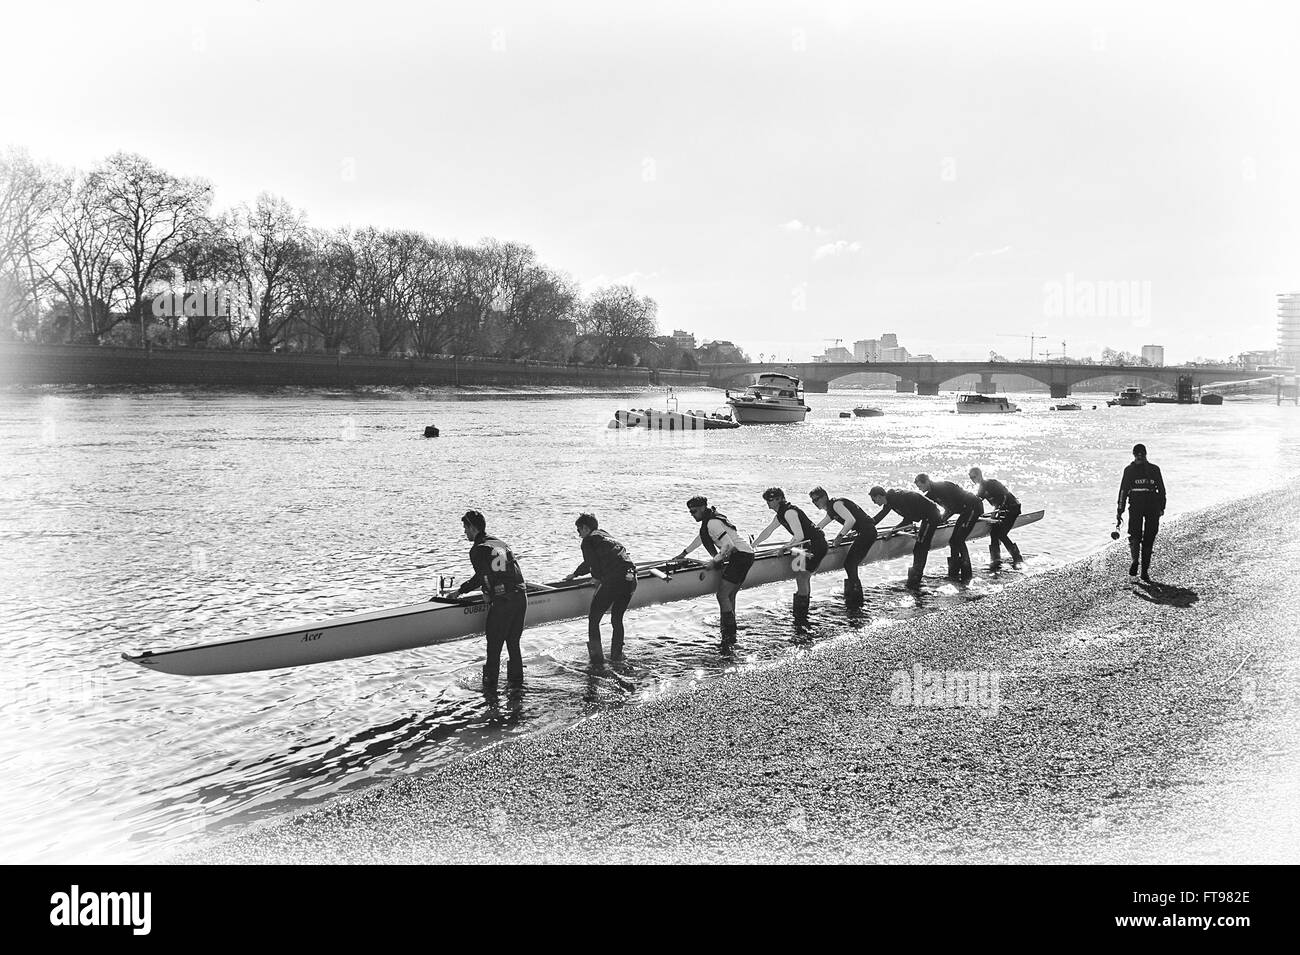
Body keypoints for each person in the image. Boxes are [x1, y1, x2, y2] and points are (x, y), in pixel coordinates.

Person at [450, 510, 527, 689]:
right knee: (513, 644)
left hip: (504, 602)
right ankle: (516, 687)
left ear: (473, 528)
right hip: (521, 596)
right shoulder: (500, 543)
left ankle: (489, 690)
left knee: (494, 646)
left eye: (465, 528)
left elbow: (483, 576)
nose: (464, 532)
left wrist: (481, 592)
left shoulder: (477, 549)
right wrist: (466, 590)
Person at [673, 495, 755, 643]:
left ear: (703, 508)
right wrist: (683, 554)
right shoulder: (709, 521)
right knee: (730, 596)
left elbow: (728, 545)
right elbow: (701, 538)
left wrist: (714, 561)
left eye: (695, 511)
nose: (692, 514)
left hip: (740, 556)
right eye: (690, 512)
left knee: (722, 595)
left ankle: (728, 632)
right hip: (747, 554)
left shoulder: (712, 523)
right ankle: (731, 633)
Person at [564, 513, 637, 666]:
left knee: (594, 619)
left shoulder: (587, 541)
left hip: (614, 581)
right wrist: (576, 573)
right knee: (617, 619)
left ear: (585, 528)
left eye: (578, 530)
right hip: (631, 578)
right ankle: (617, 656)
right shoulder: (605, 535)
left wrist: (595, 578)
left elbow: (592, 565)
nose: (578, 534)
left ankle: (596, 660)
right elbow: (601, 559)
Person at [753, 487, 828, 622]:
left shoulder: (789, 513)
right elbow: (768, 531)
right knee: (803, 577)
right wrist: (753, 546)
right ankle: (803, 611)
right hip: (807, 545)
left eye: (770, 500)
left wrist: (784, 548)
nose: (768, 503)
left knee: (802, 577)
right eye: (767, 500)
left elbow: (799, 536)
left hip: (816, 545)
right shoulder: (781, 514)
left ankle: (801, 614)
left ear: (779, 499)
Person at [809, 486, 877, 606]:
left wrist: (840, 536)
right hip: (864, 532)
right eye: (813, 501)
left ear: (825, 496)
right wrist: (807, 539)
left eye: (817, 499)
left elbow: (850, 521)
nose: (815, 503)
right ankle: (855, 595)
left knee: (849, 564)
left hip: (868, 532)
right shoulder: (831, 509)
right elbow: (820, 526)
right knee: (850, 564)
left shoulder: (836, 504)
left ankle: (857, 597)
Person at [868, 485, 942, 589]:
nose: (874, 503)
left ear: (879, 496)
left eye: (874, 500)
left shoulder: (897, 499)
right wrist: (866, 527)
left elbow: (909, 520)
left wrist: (893, 531)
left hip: (932, 515)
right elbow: (880, 516)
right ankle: (916, 577)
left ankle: (916, 578)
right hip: (923, 517)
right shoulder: (889, 500)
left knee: (920, 547)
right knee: (919, 547)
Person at [914, 473, 983, 581]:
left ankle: (967, 572)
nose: (919, 489)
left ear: (926, 481)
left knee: (959, 540)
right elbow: (925, 509)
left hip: (973, 506)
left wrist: (943, 518)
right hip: (965, 511)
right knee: (952, 541)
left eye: (920, 486)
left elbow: (952, 508)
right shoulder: (931, 494)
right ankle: (954, 572)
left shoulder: (941, 487)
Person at [1116, 443, 1166, 581]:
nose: (1139, 456)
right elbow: (1162, 490)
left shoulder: (1129, 470)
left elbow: (1123, 492)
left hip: (1138, 505)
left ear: (1134, 454)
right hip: (1152, 506)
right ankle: (1143, 571)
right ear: (1145, 454)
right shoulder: (1154, 469)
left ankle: (1135, 561)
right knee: (1148, 537)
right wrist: (1162, 507)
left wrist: (1120, 511)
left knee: (1135, 534)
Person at [968, 467, 1022, 567]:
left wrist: (995, 512)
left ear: (980, 475)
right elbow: (977, 501)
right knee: (993, 533)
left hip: (1012, 508)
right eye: (970, 477)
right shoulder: (981, 488)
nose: (972, 480)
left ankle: (1017, 558)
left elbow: (1004, 496)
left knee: (1001, 533)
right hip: (1002, 510)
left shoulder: (992, 483)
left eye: (974, 477)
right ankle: (995, 560)